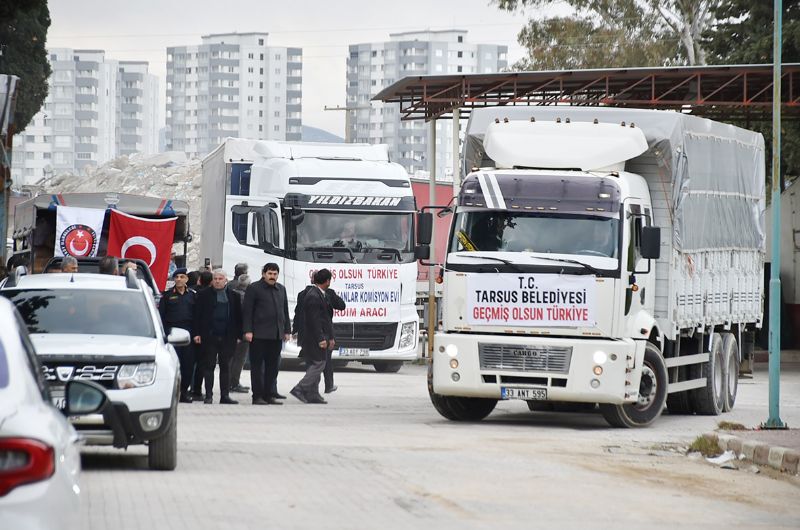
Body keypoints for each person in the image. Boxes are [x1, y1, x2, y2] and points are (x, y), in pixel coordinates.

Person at [243, 263, 290, 405]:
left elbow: (285, 311)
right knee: (257, 367)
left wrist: (287, 330)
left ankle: (269, 394)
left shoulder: (281, 289)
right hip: (258, 334)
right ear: (263, 274)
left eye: (275, 274)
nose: (272, 276)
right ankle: (257, 396)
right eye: (270, 273)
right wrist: (248, 330)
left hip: (276, 335)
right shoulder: (254, 288)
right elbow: (247, 311)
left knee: (273, 367)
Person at [193, 269, 242, 404]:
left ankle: (224, 396)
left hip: (227, 336)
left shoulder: (234, 296)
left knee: (225, 366)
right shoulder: (203, 295)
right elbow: (197, 315)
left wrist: (239, 335)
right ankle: (209, 395)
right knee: (209, 366)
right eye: (215, 278)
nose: (217, 281)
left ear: (226, 280)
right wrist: (197, 333)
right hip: (209, 336)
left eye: (220, 279)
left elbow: (238, 317)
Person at [293, 275, 346, 394]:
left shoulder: (305, 293)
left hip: (307, 333)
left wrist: (295, 330)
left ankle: (313, 389)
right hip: (319, 334)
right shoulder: (318, 295)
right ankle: (312, 387)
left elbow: (298, 313)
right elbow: (317, 319)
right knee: (322, 361)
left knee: (313, 362)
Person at [291, 268, 335, 404]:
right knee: (320, 363)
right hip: (313, 337)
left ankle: (313, 393)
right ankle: (300, 388)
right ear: (327, 281)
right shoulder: (314, 296)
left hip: (313, 336)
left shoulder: (318, 294)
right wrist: (321, 338)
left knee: (314, 363)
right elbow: (315, 320)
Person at [158, 268, 196, 403]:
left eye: (181, 277)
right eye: (176, 277)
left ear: (186, 279)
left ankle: (184, 391)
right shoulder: (167, 296)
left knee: (188, 364)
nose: (179, 279)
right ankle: (171, 392)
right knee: (173, 363)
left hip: (188, 332)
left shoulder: (192, 295)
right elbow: (161, 316)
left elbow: (197, 316)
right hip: (172, 332)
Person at [229, 273, 251, 394]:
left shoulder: (232, 293)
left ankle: (230, 382)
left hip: (234, 332)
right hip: (241, 333)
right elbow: (243, 317)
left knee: (233, 358)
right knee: (239, 359)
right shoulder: (244, 297)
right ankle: (234, 383)